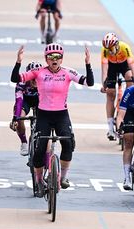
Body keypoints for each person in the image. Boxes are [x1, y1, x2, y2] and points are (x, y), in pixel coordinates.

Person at [11, 43, 94, 197]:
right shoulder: (38, 72)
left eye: (57, 57)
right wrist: (18, 61)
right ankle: (39, 181)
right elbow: (15, 78)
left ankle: (62, 178)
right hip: (44, 115)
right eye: (51, 57)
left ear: (61, 59)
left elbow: (89, 82)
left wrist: (88, 63)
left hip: (61, 114)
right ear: (46, 59)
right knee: (40, 149)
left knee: (68, 144)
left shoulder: (68, 72)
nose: (54, 60)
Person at [100, 32, 134, 141]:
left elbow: (132, 65)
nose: (110, 51)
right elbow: (104, 69)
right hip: (112, 67)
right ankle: (111, 128)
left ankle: (126, 99)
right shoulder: (105, 51)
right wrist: (104, 85)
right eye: (108, 49)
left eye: (112, 48)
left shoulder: (124, 47)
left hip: (123, 65)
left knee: (130, 77)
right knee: (110, 93)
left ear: (116, 45)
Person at [9, 61, 42, 156]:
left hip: (40, 101)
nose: (35, 80)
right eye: (32, 78)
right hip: (25, 101)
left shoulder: (44, 81)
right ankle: (24, 142)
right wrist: (16, 118)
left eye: (37, 77)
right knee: (20, 117)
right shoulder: (22, 82)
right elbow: (19, 101)